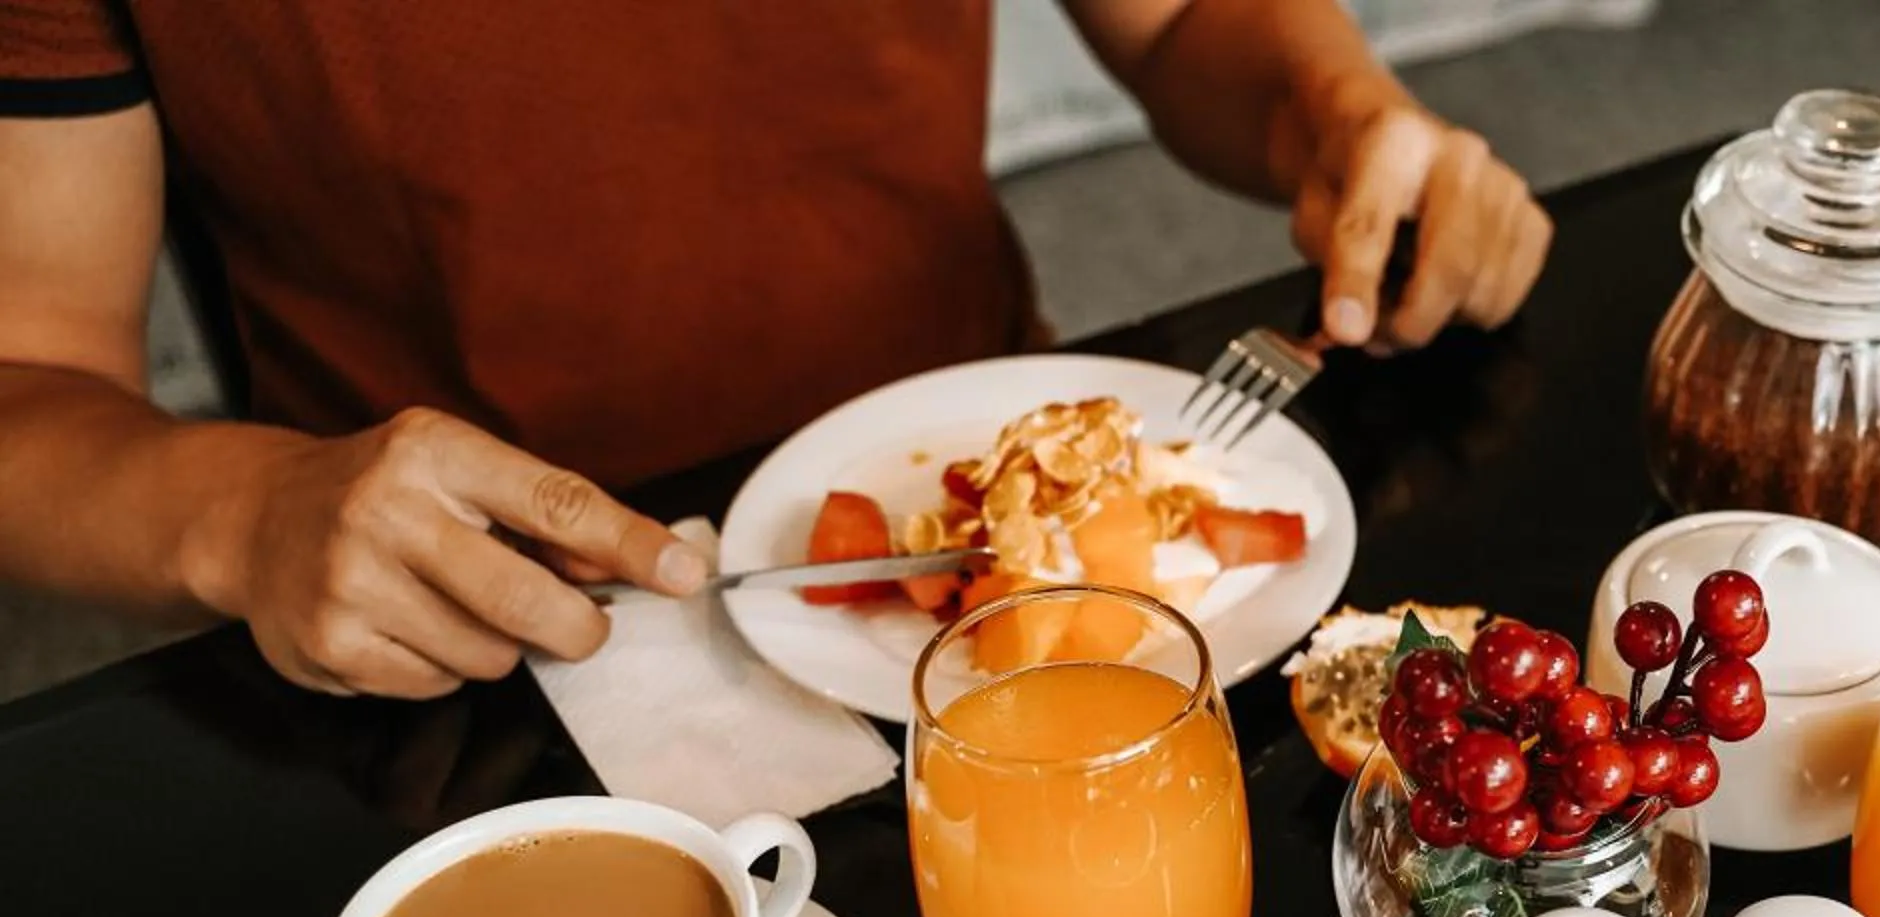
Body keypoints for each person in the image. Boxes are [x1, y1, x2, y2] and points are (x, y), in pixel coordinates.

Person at [0, 1, 1551, 698]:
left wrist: (1336, 110)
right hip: (463, 645)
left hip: (988, 550)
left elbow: (1181, 17)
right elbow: (33, 373)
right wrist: (246, 516)